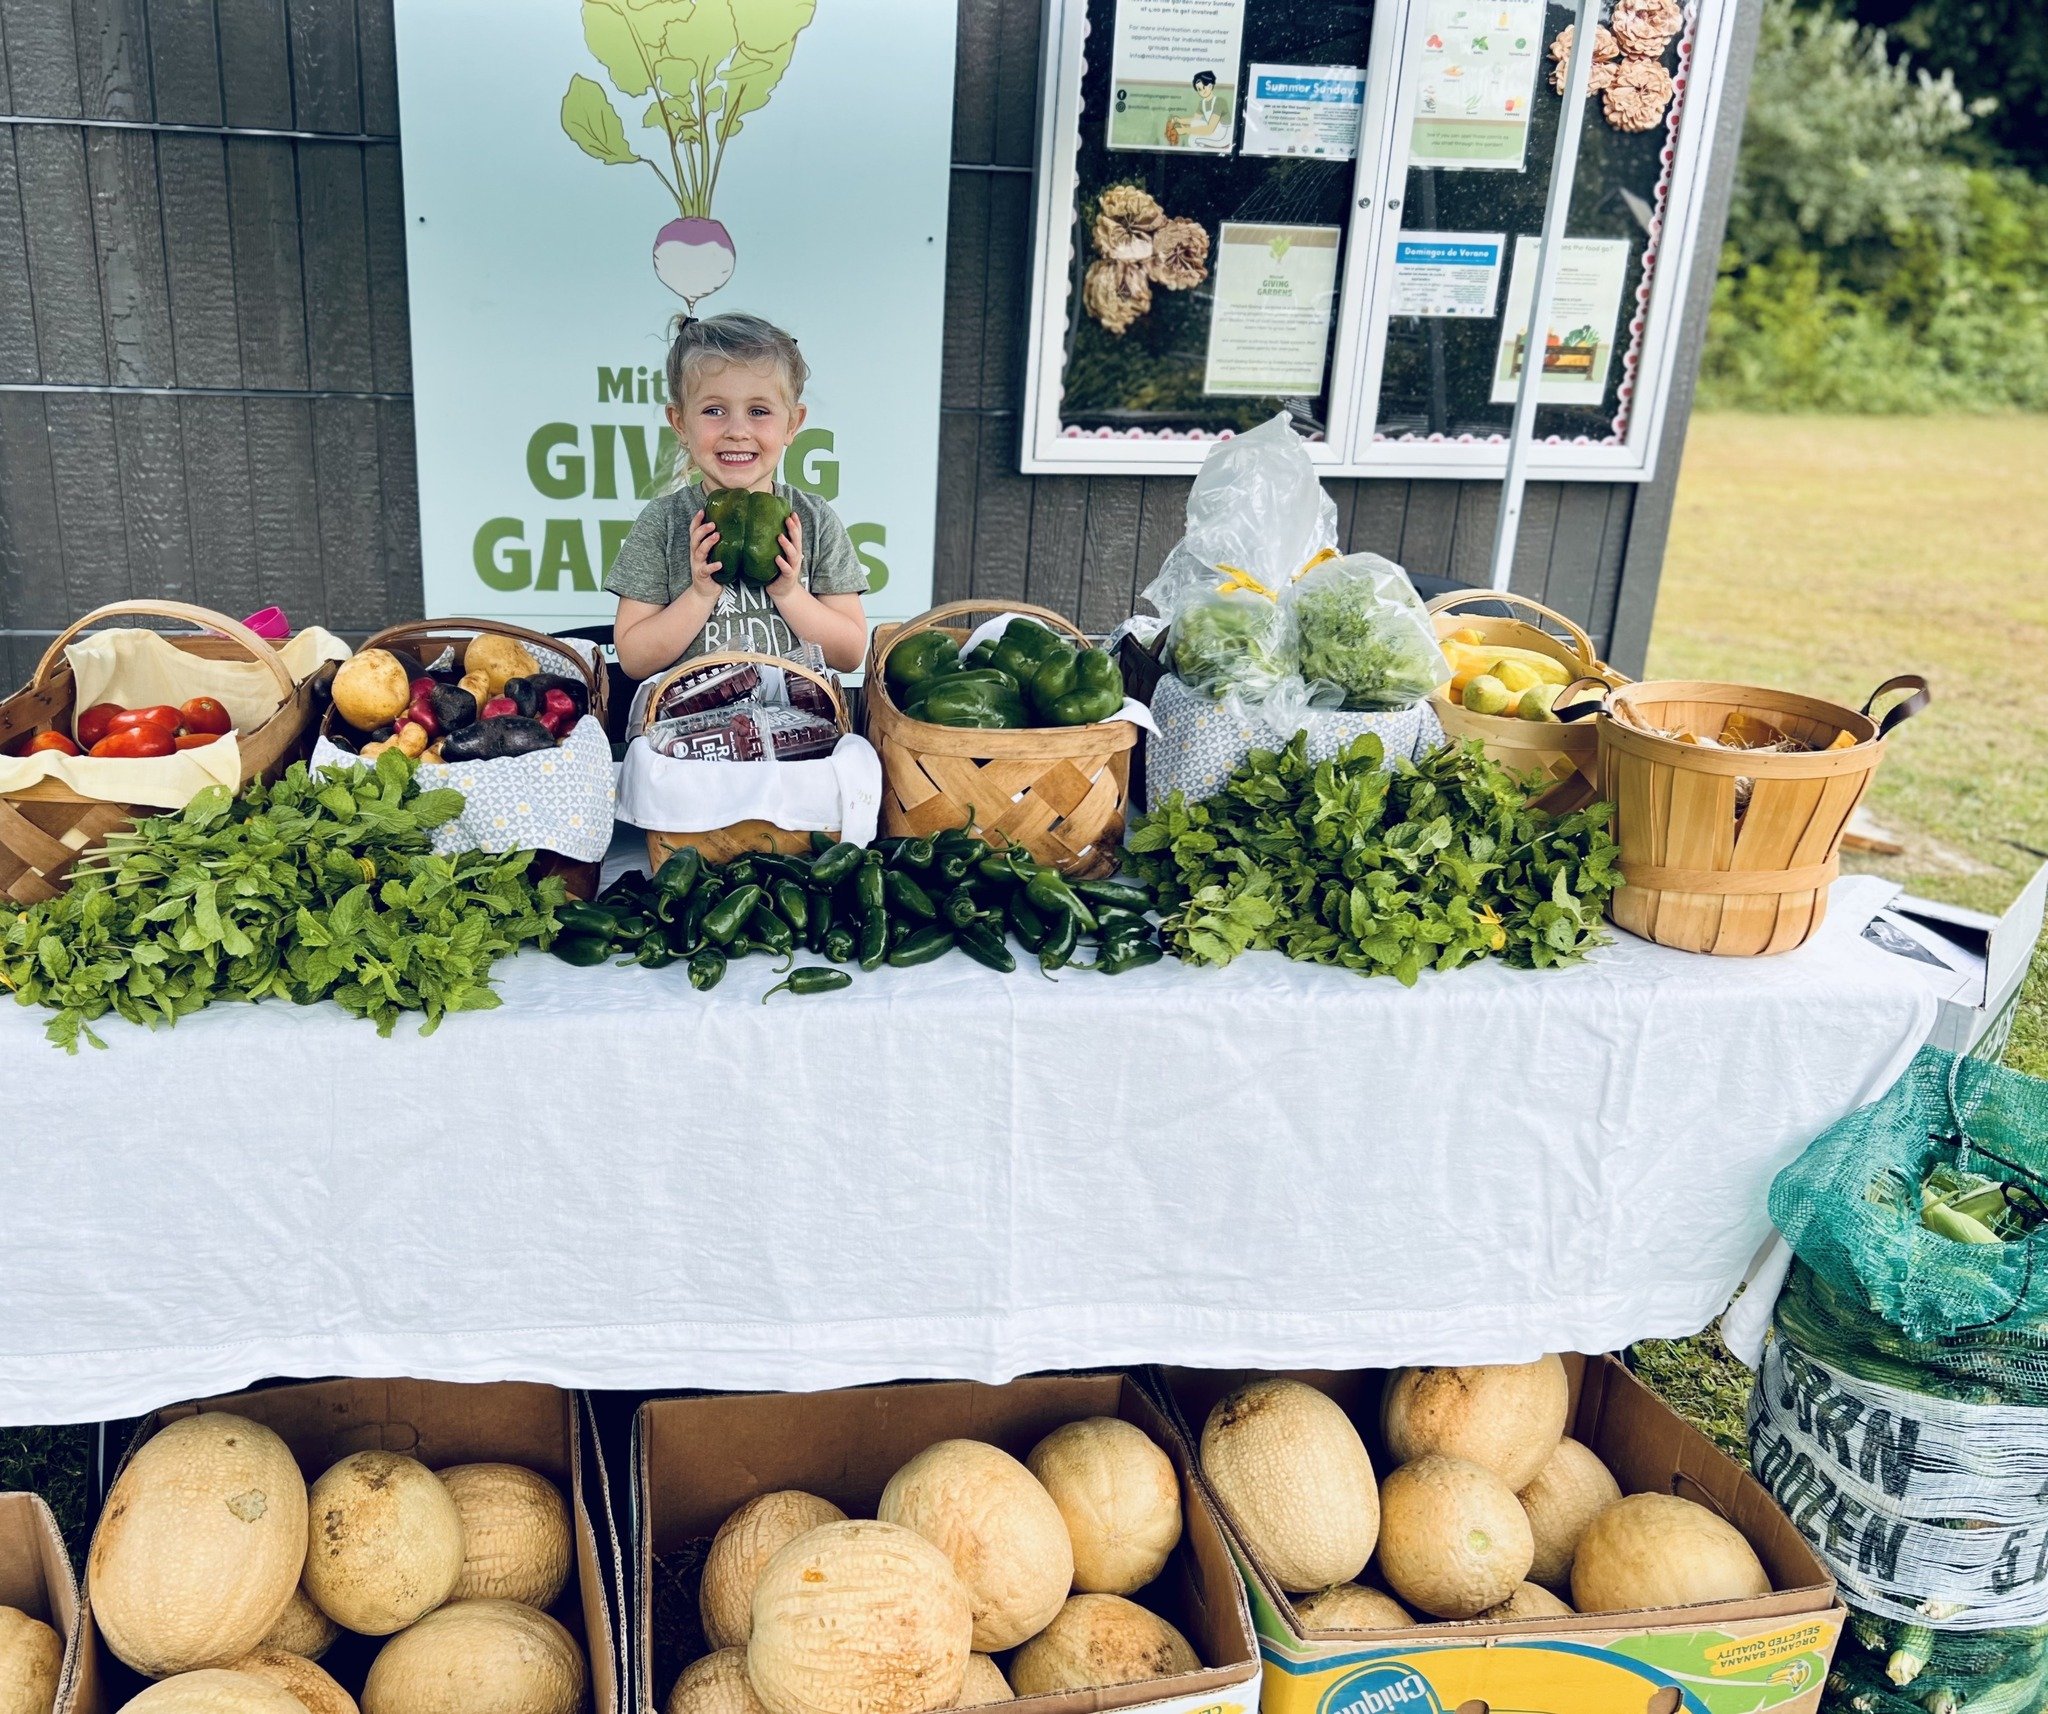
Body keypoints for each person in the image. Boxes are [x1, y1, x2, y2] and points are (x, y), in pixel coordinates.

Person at [607, 313, 869, 681]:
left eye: (758, 411)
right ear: (680, 423)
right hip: (693, 732)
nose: (737, 431)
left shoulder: (815, 518)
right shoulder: (663, 521)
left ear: (792, 424)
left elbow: (851, 651)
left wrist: (789, 592)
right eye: (714, 410)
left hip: (802, 729)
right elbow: (634, 658)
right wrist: (699, 594)